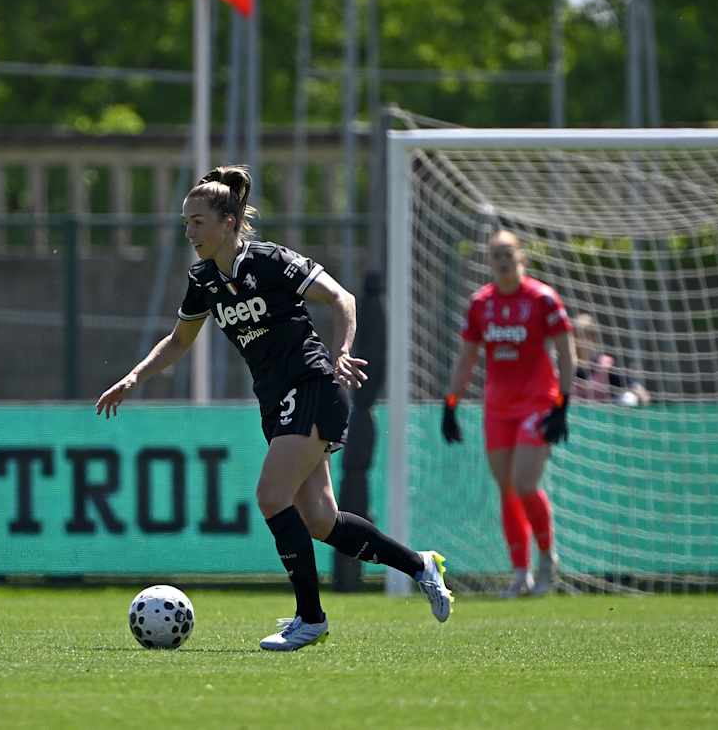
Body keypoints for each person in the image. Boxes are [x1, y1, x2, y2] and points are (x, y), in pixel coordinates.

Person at [95, 165, 453, 651]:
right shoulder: (203, 280)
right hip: (276, 401)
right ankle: (419, 564)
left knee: (270, 494)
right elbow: (180, 340)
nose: (189, 232)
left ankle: (311, 618)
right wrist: (136, 375)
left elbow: (342, 298)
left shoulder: (270, 261)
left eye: (198, 222)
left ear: (228, 221)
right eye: (185, 223)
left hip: (312, 386)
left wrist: (343, 349)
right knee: (322, 520)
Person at [441, 229, 575, 597]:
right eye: (495, 254)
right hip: (498, 407)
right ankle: (521, 572)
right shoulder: (480, 303)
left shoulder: (542, 299)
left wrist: (563, 403)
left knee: (525, 483)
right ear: (489, 261)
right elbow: (467, 357)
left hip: (537, 401)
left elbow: (565, 351)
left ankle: (548, 559)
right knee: (507, 489)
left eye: (507, 253)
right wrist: (450, 402)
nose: (502, 260)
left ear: (521, 257)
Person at [572, 312, 651, 406]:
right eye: (574, 335)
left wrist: (641, 397)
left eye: (584, 335)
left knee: (628, 398)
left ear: (593, 338)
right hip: (572, 418)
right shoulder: (565, 365)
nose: (577, 340)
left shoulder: (604, 365)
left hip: (600, 418)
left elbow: (637, 388)